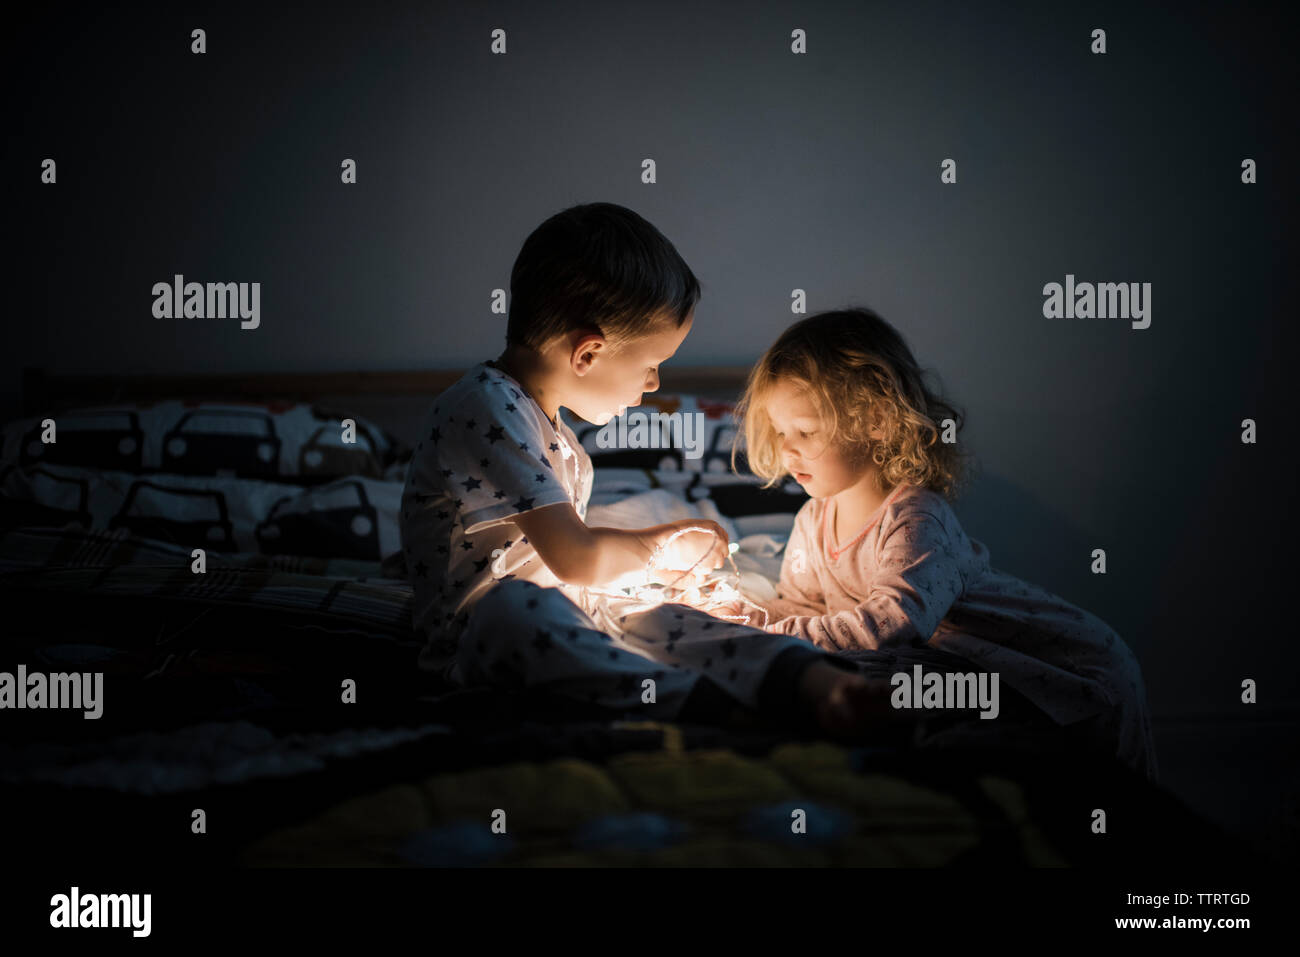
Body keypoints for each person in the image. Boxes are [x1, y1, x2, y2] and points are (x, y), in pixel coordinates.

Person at [399, 204, 894, 737]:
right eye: (651, 365)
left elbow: (572, 563)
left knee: (656, 612)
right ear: (587, 353)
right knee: (519, 610)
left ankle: (813, 682)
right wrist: (660, 542)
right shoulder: (485, 408)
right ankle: (715, 710)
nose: (654, 385)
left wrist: (655, 579)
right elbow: (577, 558)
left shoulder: (558, 436)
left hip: (573, 617)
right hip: (482, 647)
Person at [732, 307, 1158, 779]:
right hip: (967, 668)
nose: (788, 448)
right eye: (780, 432)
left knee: (1107, 805)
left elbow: (891, 624)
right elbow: (803, 605)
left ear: (875, 420)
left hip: (1069, 668)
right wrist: (732, 614)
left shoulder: (915, 518)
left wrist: (766, 630)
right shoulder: (813, 518)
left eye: (805, 432)